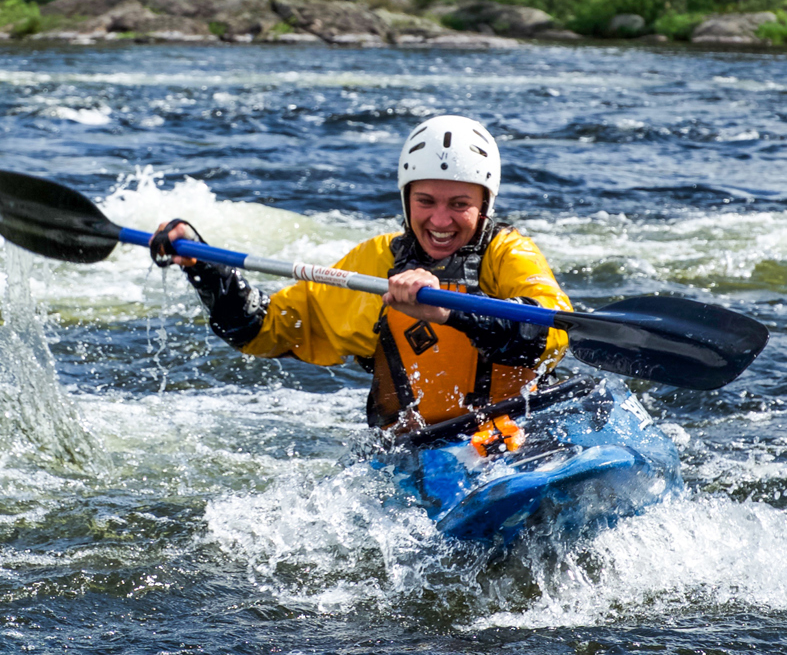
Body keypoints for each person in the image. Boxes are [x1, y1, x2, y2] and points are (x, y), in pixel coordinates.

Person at [150, 115, 572, 448]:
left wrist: (451, 311)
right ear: (406, 199)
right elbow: (263, 329)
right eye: (425, 201)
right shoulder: (375, 261)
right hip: (419, 451)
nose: (440, 220)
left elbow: (554, 333)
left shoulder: (508, 254)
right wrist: (203, 266)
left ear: (484, 204)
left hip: (515, 435)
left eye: (459, 204)